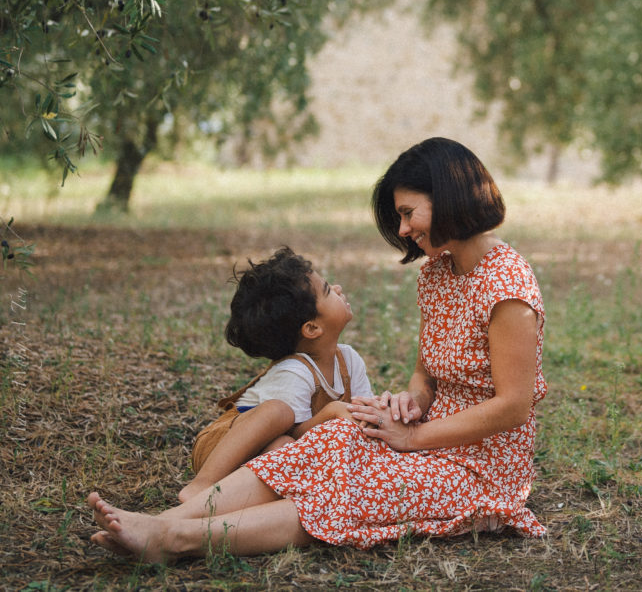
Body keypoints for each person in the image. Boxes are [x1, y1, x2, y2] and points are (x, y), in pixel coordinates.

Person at [87, 137, 546, 561]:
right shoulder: (437, 274)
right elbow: (426, 374)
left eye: (408, 213)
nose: (403, 229)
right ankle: (163, 522)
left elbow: (512, 406)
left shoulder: (507, 288)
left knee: (342, 492)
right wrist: (411, 403)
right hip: (428, 437)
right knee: (336, 434)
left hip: (482, 469)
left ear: (448, 199)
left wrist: (414, 438)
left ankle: (175, 540)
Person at [180, 247, 373, 504]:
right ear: (312, 328)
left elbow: (360, 414)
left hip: (273, 453)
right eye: (327, 290)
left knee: (285, 451)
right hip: (222, 449)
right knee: (279, 415)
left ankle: (231, 502)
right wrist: (332, 411)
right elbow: (297, 435)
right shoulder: (295, 372)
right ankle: (200, 486)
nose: (338, 288)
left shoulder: (348, 360)